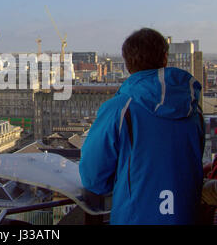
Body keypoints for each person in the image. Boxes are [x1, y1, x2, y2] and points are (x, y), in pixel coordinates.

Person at [79, 28, 204, 225]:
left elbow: (93, 177)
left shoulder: (119, 109)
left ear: (127, 65)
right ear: (165, 59)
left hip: (135, 217)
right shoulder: (194, 110)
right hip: (187, 215)